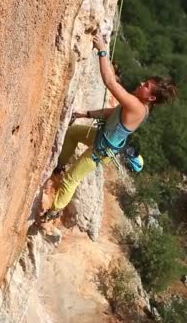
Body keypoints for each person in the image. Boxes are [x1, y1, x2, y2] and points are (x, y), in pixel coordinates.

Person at [40, 33, 178, 222]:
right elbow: (111, 112)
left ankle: (54, 210)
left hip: (101, 151)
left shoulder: (137, 107)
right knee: (72, 134)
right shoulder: (137, 104)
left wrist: (103, 50)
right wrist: (86, 114)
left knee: (72, 179)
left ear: (151, 97)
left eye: (146, 85)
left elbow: (110, 82)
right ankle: (59, 167)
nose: (141, 84)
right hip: (101, 137)